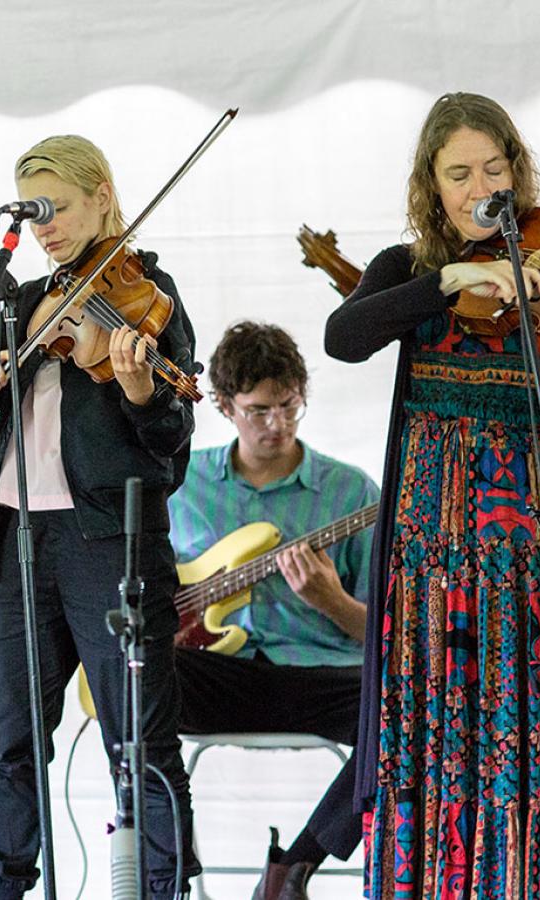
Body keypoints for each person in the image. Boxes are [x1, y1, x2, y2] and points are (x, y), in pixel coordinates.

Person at [324, 91, 540, 898]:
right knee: (435, 725)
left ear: (516, 173)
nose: (481, 183)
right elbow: (345, 339)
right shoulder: (407, 273)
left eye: (494, 166)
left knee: (529, 730)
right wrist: (451, 277)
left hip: (527, 553)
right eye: (460, 172)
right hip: (427, 556)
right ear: (434, 187)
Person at [0, 134, 199, 899]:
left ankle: (154, 890)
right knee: (11, 742)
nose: (45, 227)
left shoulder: (148, 294)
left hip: (107, 543)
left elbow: (173, 441)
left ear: (104, 196)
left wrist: (141, 392)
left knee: (139, 744)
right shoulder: (19, 302)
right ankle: (5, 889)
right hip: (20, 541)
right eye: (34, 212)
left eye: (59, 208)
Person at [166, 321, 378, 900]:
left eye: (289, 407)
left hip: (318, 672)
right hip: (219, 674)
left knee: (410, 704)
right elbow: (144, 592)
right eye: (258, 410)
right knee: (129, 681)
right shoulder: (180, 485)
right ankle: (170, 870)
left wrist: (331, 600)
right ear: (223, 405)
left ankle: (293, 871)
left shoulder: (353, 493)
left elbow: (387, 636)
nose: (277, 425)